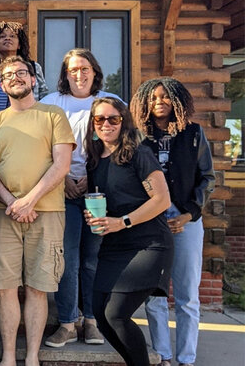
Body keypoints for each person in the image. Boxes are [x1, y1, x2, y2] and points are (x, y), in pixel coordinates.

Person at [0, 56, 74, 366]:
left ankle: (32, 357)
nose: (16, 78)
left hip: (46, 212)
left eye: (22, 73)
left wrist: (29, 201)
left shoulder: (53, 115)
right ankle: (9, 356)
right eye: (9, 75)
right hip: (3, 213)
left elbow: (61, 165)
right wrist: (13, 202)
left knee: (38, 288)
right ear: (2, 83)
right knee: (5, 289)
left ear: (33, 79)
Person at [84, 96, 173, 366]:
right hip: (114, 246)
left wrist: (122, 221)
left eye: (114, 119)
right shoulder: (94, 159)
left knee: (116, 314)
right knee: (100, 313)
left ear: (124, 123)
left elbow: (162, 199)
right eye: (100, 119)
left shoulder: (138, 153)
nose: (106, 124)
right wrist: (95, 216)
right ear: (92, 123)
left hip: (148, 244)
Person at [132, 78, 214, 366]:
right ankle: (163, 356)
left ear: (177, 101)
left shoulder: (193, 133)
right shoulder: (138, 137)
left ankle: (186, 358)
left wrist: (190, 213)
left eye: (166, 97)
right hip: (150, 224)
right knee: (155, 294)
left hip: (187, 222)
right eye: (153, 98)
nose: (159, 102)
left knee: (187, 295)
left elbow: (207, 177)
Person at [40, 48, 117, 348]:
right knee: (68, 260)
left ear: (95, 71)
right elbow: (40, 145)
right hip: (63, 193)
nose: (79, 74)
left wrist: (93, 177)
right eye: (73, 69)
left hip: (99, 193)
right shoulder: (51, 103)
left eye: (84, 68)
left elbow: (121, 149)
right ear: (65, 74)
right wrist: (63, 180)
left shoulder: (110, 102)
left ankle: (93, 321)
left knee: (92, 260)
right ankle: (68, 322)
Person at [0, 21, 48, 99]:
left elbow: (44, 94)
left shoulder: (33, 67)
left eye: (12, 36)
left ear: (19, 44)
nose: (7, 38)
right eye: (2, 36)